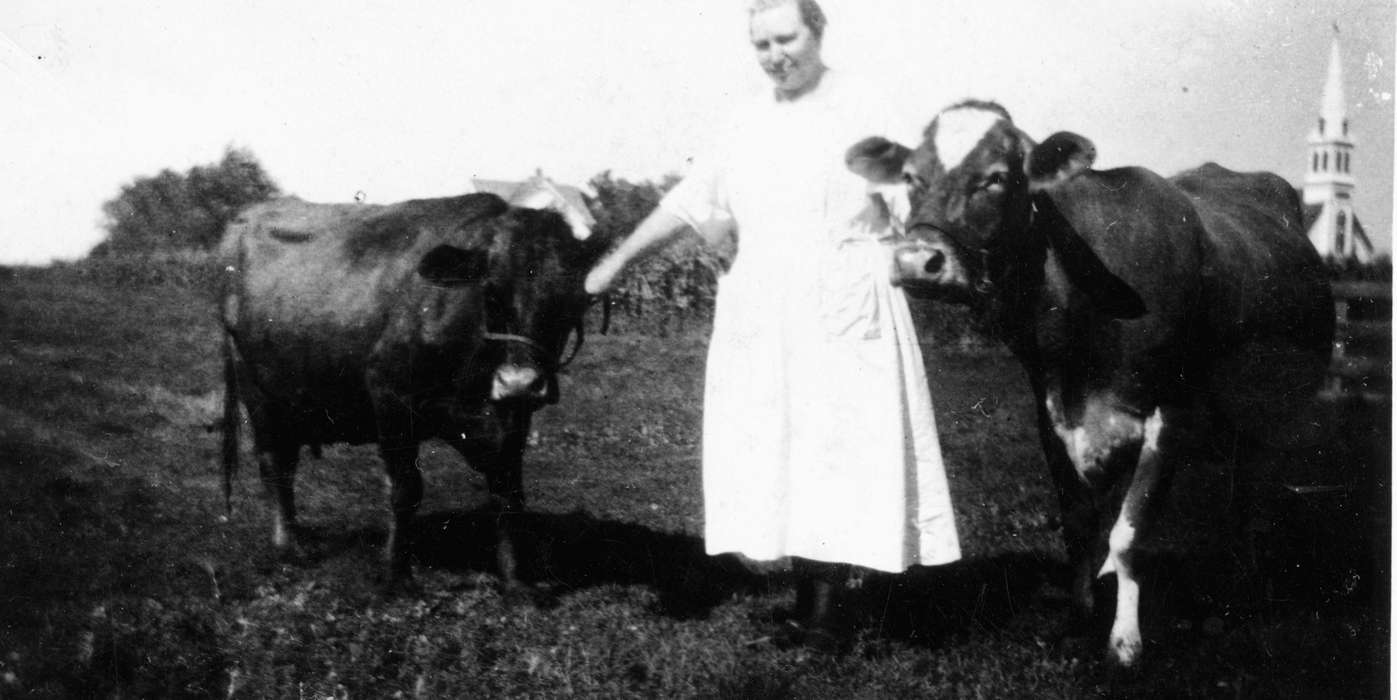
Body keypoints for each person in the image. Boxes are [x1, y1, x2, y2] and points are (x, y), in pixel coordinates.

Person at [585, 0, 960, 650]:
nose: (773, 55)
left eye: (785, 38)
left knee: (838, 449)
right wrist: (618, 259)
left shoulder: (862, 104)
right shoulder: (744, 118)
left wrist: (922, 244)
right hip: (761, 306)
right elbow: (691, 196)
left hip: (844, 300)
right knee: (782, 447)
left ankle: (829, 614)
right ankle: (811, 604)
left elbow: (912, 194)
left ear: (816, 32)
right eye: (760, 44)